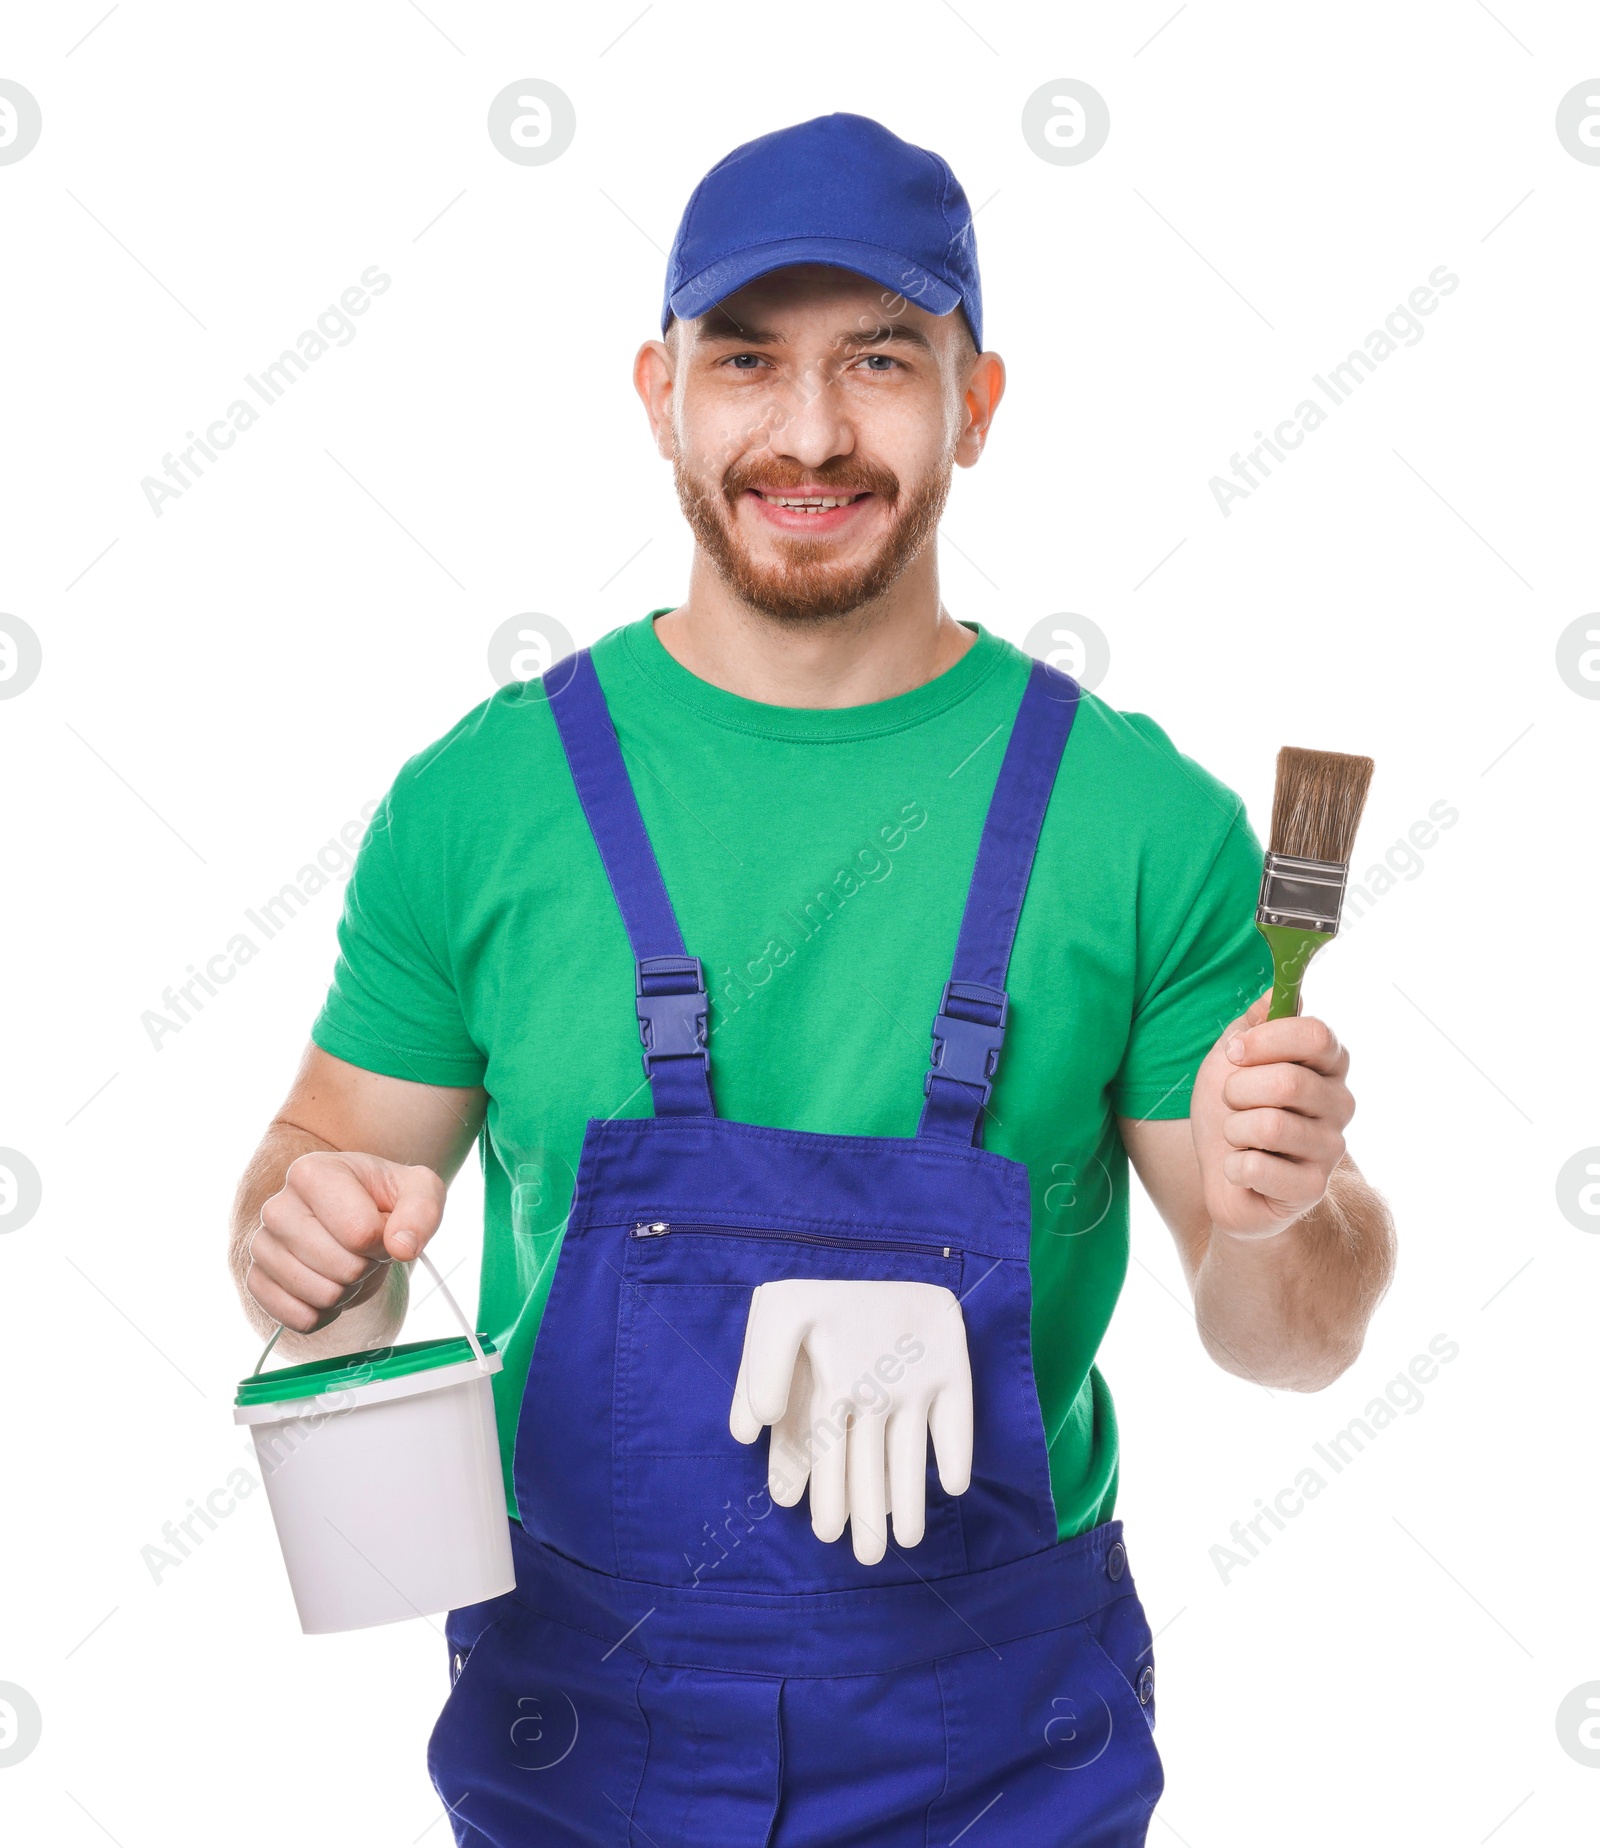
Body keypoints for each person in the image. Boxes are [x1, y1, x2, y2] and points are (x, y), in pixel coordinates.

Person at [230, 112, 1395, 1846]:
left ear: (976, 401)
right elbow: (321, 1244)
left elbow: (1286, 1345)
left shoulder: (1140, 824)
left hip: (1000, 1739)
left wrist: (1289, 1209)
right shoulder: (481, 806)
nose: (812, 432)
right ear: (660, 393)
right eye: (750, 361)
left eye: (881, 359)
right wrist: (303, 1242)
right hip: (583, 1732)